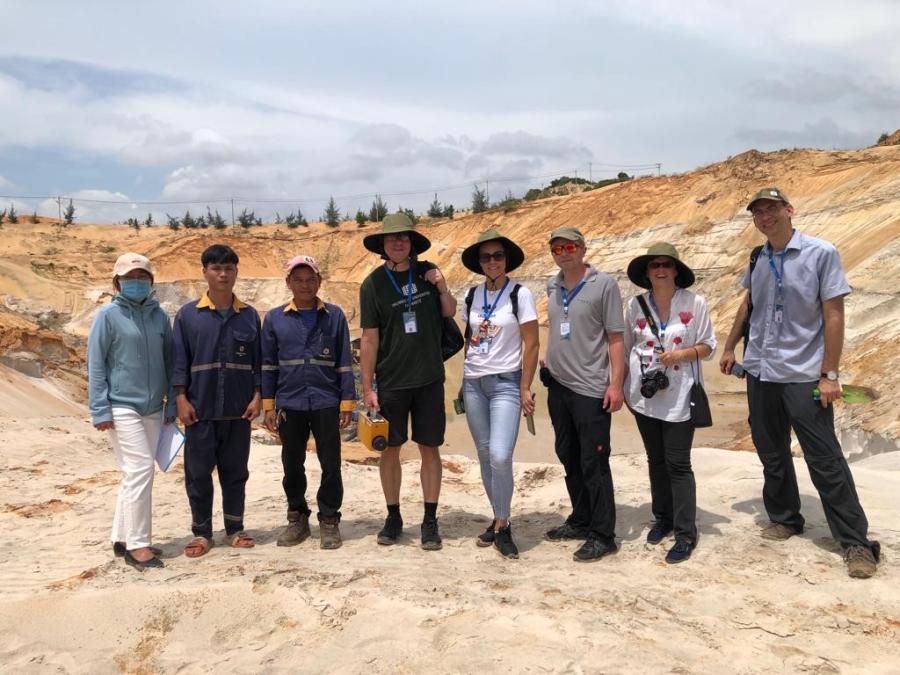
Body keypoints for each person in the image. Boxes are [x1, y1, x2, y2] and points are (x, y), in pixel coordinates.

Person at [720, 187, 879, 579]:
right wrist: (729, 346)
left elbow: (834, 315)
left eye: (771, 209)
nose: (765, 216)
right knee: (771, 451)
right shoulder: (759, 256)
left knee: (824, 458)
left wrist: (830, 374)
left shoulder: (820, 253)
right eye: (758, 212)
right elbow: (748, 304)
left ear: (789, 211)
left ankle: (856, 542)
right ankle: (786, 517)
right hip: (761, 370)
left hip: (803, 373)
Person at [359, 213, 457, 550]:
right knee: (391, 451)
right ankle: (393, 515)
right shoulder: (372, 285)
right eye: (391, 239)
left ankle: (430, 519)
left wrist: (442, 285)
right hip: (393, 382)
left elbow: (450, 311)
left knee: (430, 448)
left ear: (412, 243)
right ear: (383, 246)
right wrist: (368, 387)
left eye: (403, 237)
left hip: (429, 378)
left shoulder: (428, 273)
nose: (397, 243)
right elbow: (369, 339)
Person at [623, 243, 716, 564]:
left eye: (666, 264)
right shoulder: (635, 306)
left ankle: (686, 532)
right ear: (647, 273)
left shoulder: (695, 303)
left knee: (678, 462)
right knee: (655, 459)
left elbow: (708, 346)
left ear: (676, 269)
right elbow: (625, 348)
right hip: (643, 394)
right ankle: (662, 518)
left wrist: (681, 354)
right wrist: (620, 386)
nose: (660, 270)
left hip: (680, 393)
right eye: (654, 265)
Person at [173, 244, 261, 558]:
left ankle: (234, 529)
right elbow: (179, 361)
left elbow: (258, 363)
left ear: (236, 272)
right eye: (216, 268)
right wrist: (180, 398)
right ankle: (202, 533)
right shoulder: (187, 315)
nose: (223, 274)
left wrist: (258, 395)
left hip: (238, 412)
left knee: (236, 472)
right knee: (197, 473)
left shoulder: (249, 316)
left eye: (229, 269)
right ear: (205, 272)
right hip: (200, 410)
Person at [543, 227, 626, 562]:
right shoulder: (553, 285)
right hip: (558, 385)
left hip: (591, 388)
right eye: (556, 248)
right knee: (568, 454)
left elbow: (615, 337)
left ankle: (603, 534)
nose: (563, 252)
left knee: (594, 461)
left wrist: (616, 384)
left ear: (582, 248)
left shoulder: (603, 285)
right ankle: (580, 519)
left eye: (569, 246)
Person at [261, 255, 355, 550]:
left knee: (331, 463)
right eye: (298, 280)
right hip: (290, 402)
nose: (305, 285)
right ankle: (297, 518)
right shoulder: (275, 318)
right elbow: (267, 365)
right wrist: (268, 406)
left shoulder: (335, 316)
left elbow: (343, 363)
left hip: (326, 401)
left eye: (310, 279)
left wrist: (347, 403)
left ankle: (329, 520)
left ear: (319, 282)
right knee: (292, 463)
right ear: (288, 283)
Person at [87, 252, 174, 571]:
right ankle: (139, 546)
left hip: (154, 408)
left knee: (132, 473)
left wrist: (172, 402)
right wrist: (99, 409)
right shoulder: (107, 315)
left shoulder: (160, 316)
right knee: (140, 471)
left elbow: (170, 360)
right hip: (121, 406)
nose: (136, 283)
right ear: (117, 282)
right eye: (129, 278)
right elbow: (96, 365)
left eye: (142, 277)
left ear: (151, 282)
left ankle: (122, 537)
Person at [459, 229, 539, 559]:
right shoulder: (471, 296)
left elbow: (532, 343)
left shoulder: (520, 294)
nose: (492, 262)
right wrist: (463, 380)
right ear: (479, 263)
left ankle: (504, 525)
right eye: (486, 257)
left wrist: (524, 386)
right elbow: (470, 338)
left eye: (498, 256)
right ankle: (498, 518)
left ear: (507, 260)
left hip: (507, 383)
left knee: (501, 455)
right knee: (484, 454)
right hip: (474, 383)